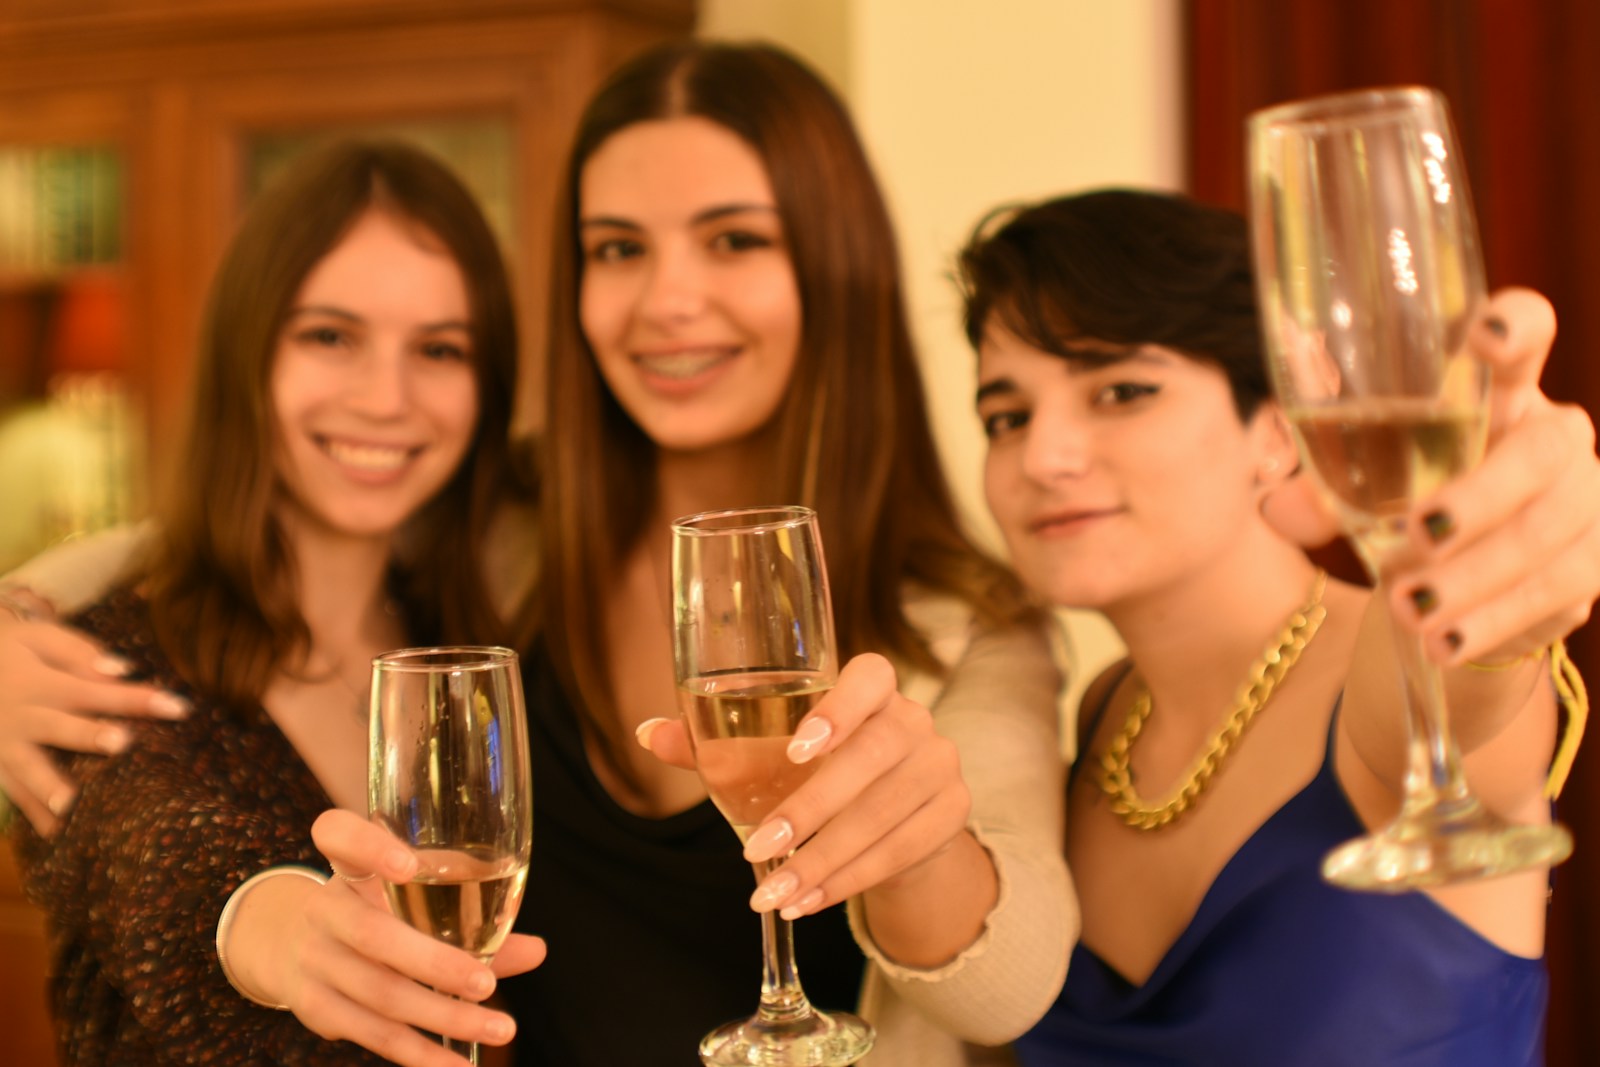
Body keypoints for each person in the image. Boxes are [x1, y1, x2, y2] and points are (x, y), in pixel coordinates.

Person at [1, 41, 1075, 1067]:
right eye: (617, 249)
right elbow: (257, 516)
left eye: (734, 239)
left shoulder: (967, 624)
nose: (666, 301)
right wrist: (13, 617)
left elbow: (1007, 986)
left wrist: (924, 842)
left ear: (835, 264)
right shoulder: (511, 529)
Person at [958, 188, 1598, 1065]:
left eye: (1122, 390)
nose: (1044, 455)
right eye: (1008, 416)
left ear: (1277, 427)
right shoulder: (1100, 712)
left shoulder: (1387, 669)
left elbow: (1457, 687)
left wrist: (1497, 571)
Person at [5, 139, 545, 1064]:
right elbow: (148, 850)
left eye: (440, 348)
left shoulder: (476, 642)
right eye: (329, 335)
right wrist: (276, 928)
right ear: (247, 355)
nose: (387, 396)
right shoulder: (92, 660)